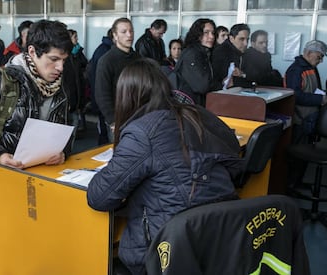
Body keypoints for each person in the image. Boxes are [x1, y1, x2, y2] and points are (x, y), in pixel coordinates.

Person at [87, 58, 243, 274]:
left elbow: (99, 197)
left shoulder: (142, 132)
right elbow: (234, 155)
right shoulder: (197, 113)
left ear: (126, 95)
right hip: (222, 239)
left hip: (167, 250)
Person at [0, 20, 73, 169]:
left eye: (63, 60)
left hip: (45, 173)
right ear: (32, 52)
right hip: (5, 173)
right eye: (53, 59)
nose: (60, 67)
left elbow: (65, 128)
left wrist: (63, 152)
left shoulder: (58, 85)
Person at [285, 39, 327, 189]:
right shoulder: (296, 70)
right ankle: (290, 186)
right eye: (319, 57)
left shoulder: (311, 67)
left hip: (311, 119)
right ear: (309, 53)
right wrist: (319, 99)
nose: (321, 60)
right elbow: (294, 95)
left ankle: (298, 182)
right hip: (300, 120)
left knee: (305, 156)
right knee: (297, 155)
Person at [95, 17, 140, 142]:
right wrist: (113, 121)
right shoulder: (106, 61)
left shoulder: (138, 57)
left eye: (131, 31)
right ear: (115, 35)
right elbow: (101, 94)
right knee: (121, 154)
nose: (129, 35)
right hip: (119, 118)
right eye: (124, 31)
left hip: (139, 115)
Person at [173, 18, 222, 106]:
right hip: (187, 107)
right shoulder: (192, 54)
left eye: (213, 33)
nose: (211, 37)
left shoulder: (206, 53)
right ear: (197, 34)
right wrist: (220, 84)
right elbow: (202, 86)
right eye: (206, 32)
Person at [88, 28, 113, 145]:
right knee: (105, 131)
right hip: (104, 98)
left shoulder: (106, 49)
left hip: (104, 97)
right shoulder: (104, 52)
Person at [212, 23, 251, 88]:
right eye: (241, 39)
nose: (246, 43)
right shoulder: (221, 53)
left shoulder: (244, 53)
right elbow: (228, 81)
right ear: (231, 38)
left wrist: (243, 75)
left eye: (247, 39)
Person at [65, 29, 88, 134]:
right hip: (69, 99)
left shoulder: (77, 54)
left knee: (74, 125)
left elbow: (84, 68)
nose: (77, 39)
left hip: (77, 97)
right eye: (75, 37)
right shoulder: (64, 57)